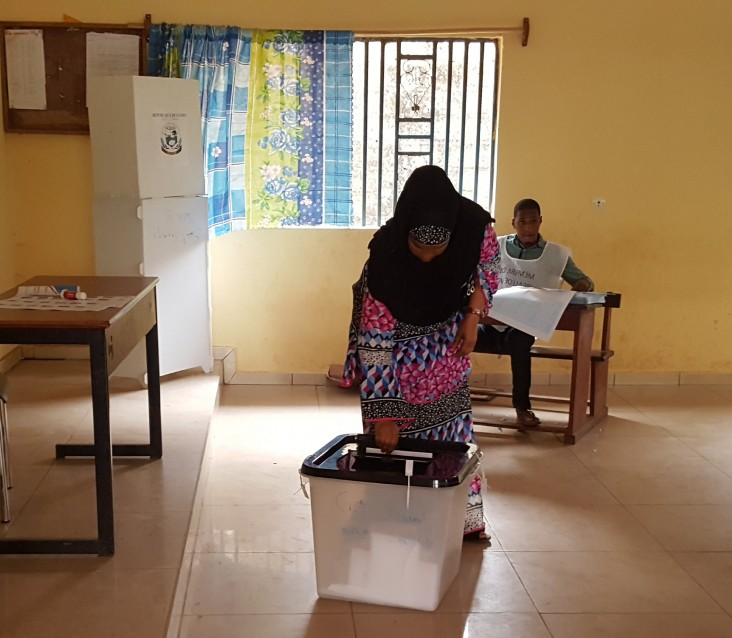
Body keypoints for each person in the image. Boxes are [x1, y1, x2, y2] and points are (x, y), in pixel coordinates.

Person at [340, 165, 501, 541]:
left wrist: (473, 316)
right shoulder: (384, 262)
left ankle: (457, 523)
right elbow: (374, 344)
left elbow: (490, 268)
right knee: (389, 446)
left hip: (447, 353)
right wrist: (384, 415)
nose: (428, 260)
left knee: (453, 439)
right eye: (419, 249)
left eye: (438, 250)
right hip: (395, 362)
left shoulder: (473, 226)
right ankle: (390, 522)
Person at [474, 198, 594, 427]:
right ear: (513, 222)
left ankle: (522, 407)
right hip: (491, 323)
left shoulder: (555, 255)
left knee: (519, 344)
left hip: (524, 325)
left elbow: (586, 282)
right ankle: (454, 401)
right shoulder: (496, 247)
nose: (528, 228)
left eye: (532, 222)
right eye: (522, 222)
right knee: (458, 335)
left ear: (540, 222)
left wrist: (582, 286)